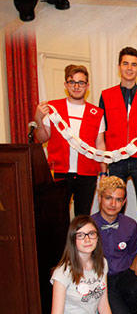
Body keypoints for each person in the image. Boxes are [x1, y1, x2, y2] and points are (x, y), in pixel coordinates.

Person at [99, 47, 137, 234]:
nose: (129, 68)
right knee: (114, 207)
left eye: (134, 64)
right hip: (116, 160)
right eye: (126, 63)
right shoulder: (106, 95)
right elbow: (102, 130)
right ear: (119, 66)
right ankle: (115, 248)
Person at [34, 64, 105, 214]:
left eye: (81, 82)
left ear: (87, 86)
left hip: (87, 174)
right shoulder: (53, 108)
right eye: (72, 82)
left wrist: (103, 172)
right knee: (57, 217)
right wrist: (39, 119)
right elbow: (42, 139)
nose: (77, 86)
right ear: (66, 84)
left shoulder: (97, 113)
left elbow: (100, 145)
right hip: (59, 172)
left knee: (82, 217)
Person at [92, 177, 137, 314]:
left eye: (118, 200)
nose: (113, 204)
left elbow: (134, 254)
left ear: (124, 202)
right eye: (108, 198)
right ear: (100, 198)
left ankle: (120, 312)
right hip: (99, 281)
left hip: (122, 277)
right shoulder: (88, 225)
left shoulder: (130, 225)